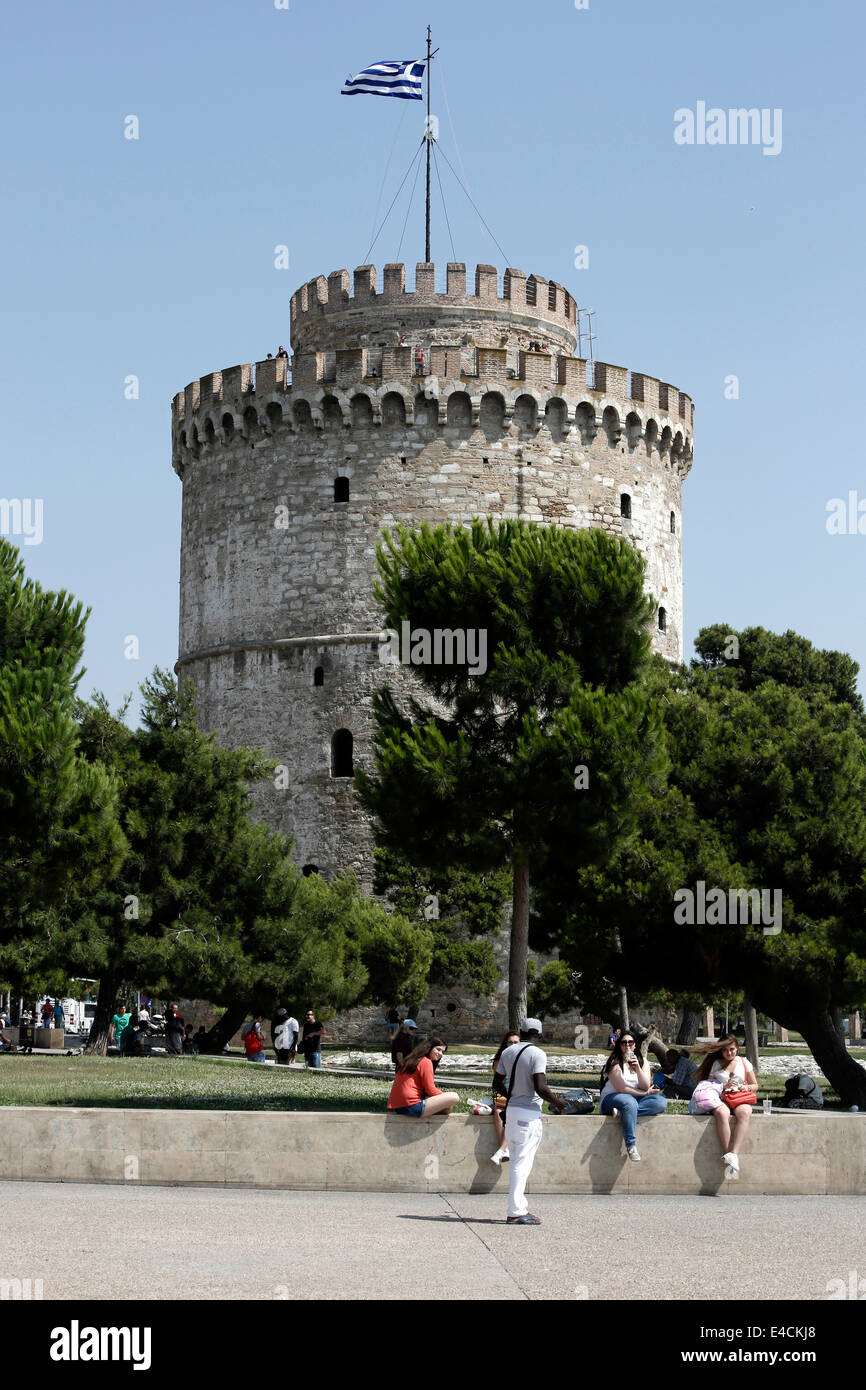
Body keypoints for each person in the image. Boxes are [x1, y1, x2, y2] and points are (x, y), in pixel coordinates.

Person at [494, 1018, 567, 1225]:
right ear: (539, 1035)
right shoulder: (537, 1054)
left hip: (513, 1111)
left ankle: (518, 1208)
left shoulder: (508, 1052)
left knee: (518, 1161)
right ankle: (516, 1211)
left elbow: (496, 1082)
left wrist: (512, 1095)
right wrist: (557, 1102)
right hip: (529, 1114)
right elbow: (540, 1087)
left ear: (522, 1031)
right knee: (522, 1164)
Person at [690, 1035, 757, 1180]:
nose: (729, 1053)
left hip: (739, 1097)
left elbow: (755, 1085)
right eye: (725, 1050)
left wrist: (745, 1086)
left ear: (737, 1049)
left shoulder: (744, 1062)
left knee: (745, 1112)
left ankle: (734, 1153)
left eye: (732, 1049)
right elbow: (706, 1084)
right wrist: (723, 1086)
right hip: (721, 1097)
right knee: (722, 1113)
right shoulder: (715, 1064)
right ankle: (729, 1155)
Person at [599, 1030, 667, 1161]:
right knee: (629, 1102)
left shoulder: (642, 1061)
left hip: (632, 1099)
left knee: (660, 1102)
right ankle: (631, 1145)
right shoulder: (614, 1062)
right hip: (612, 1098)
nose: (628, 1045)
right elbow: (622, 1088)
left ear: (635, 1045)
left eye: (631, 1042)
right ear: (619, 1045)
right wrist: (645, 1093)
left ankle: (624, 1112)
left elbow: (645, 1085)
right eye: (624, 1042)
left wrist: (638, 1069)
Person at [387, 1036, 459, 1118]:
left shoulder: (412, 1060)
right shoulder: (426, 1061)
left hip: (398, 1107)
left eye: (443, 1051)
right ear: (429, 1047)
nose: (441, 1054)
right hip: (412, 1106)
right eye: (438, 1049)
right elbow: (431, 1090)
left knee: (447, 1107)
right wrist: (444, 1096)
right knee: (454, 1097)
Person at [489, 1030, 520, 1166]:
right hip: (503, 1093)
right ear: (505, 1044)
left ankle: (502, 1150)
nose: (513, 1045)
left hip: (519, 1094)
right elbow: (497, 1083)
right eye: (510, 1042)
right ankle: (505, 1149)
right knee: (498, 1112)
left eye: (516, 1042)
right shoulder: (499, 1060)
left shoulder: (523, 1058)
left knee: (512, 1113)